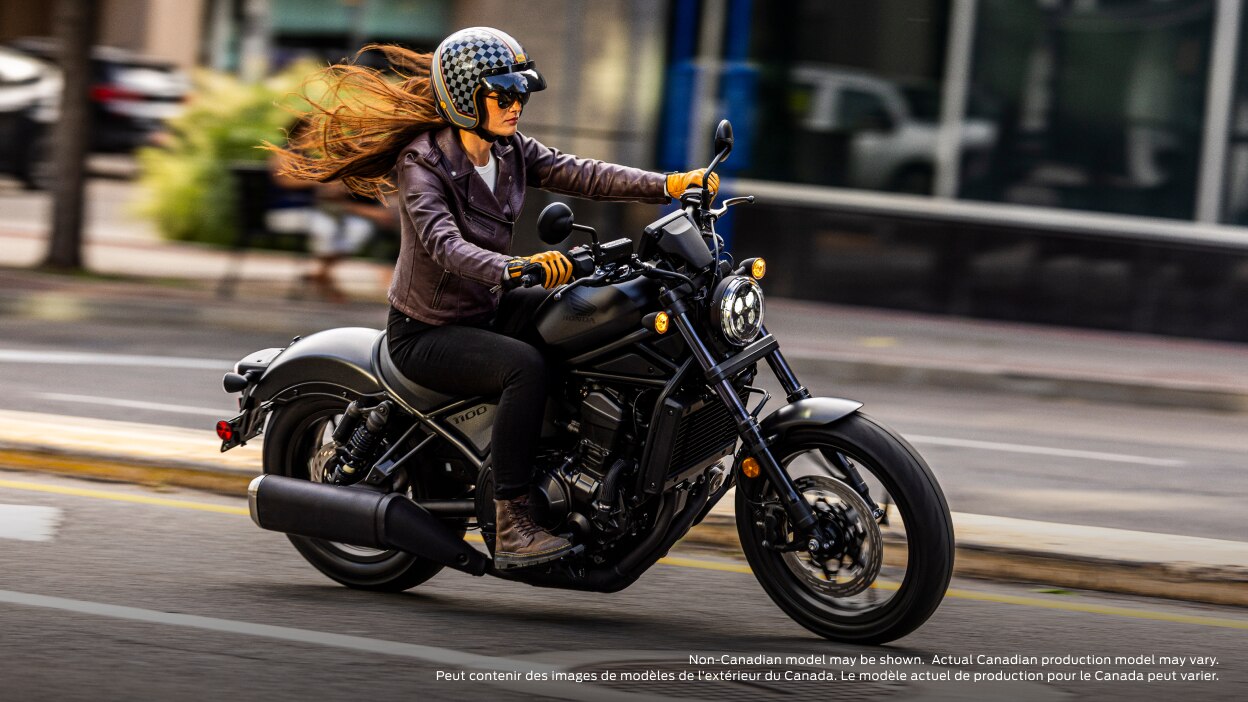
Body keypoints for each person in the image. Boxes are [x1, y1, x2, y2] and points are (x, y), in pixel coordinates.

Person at [271, 27, 717, 570]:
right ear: (464, 97)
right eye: (502, 95)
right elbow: (443, 244)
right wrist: (515, 267)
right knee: (524, 368)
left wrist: (670, 184)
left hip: (487, 307)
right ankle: (512, 519)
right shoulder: (423, 162)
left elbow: (584, 173)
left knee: (581, 316)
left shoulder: (509, 150)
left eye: (520, 93)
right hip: (428, 331)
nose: (515, 105)